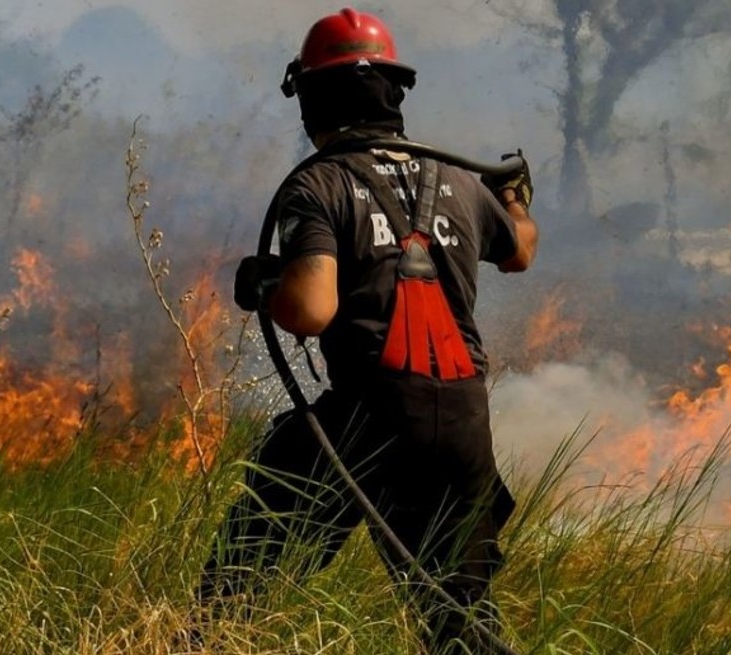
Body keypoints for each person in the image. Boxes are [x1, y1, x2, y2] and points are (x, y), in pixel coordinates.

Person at [196, 7, 539, 654]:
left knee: (238, 584)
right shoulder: (459, 180)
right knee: (460, 624)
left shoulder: (318, 184)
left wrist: (265, 284)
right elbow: (519, 248)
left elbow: (311, 307)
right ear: (393, 91)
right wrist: (515, 193)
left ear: (313, 97)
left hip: (368, 419)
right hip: (463, 423)